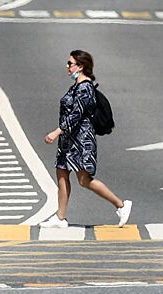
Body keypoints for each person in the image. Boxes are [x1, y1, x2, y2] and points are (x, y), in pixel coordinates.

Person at [41, 50, 132, 229]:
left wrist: (56, 132)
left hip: (81, 140)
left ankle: (121, 205)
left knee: (84, 180)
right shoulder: (76, 85)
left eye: (70, 63)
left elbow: (76, 115)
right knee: (61, 172)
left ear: (80, 66)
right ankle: (60, 217)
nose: (67, 66)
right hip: (69, 140)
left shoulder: (85, 87)